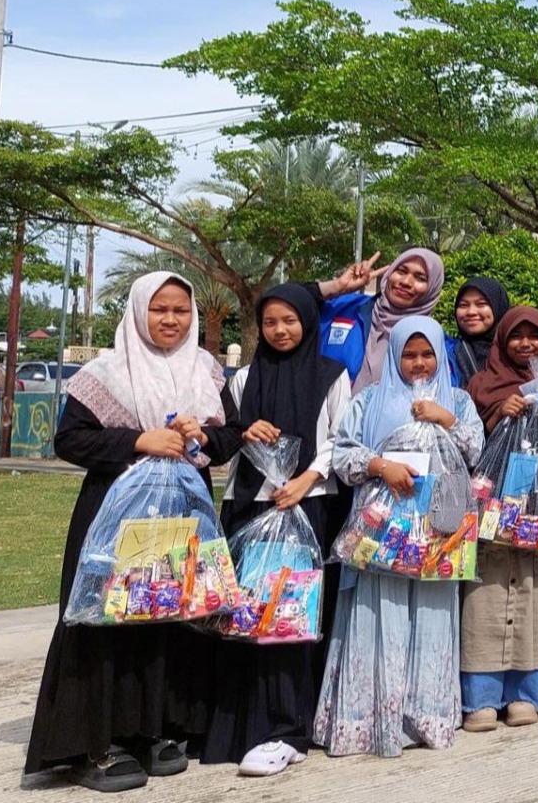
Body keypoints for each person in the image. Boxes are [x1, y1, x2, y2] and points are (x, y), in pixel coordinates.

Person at [26, 272, 246, 792]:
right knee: (105, 619)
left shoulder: (206, 371)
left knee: (169, 612)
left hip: (181, 513)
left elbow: (230, 436)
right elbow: (70, 440)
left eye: (181, 311)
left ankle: (154, 730)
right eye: (159, 309)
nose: (171, 320)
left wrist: (202, 436)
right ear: (138, 310)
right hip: (115, 513)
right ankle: (94, 746)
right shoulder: (105, 373)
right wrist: (138, 440)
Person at [314, 317, 484, 758]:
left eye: (428, 354)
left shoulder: (458, 401)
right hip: (382, 531)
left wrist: (447, 420)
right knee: (380, 614)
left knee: (431, 615)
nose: (419, 363)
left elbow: (476, 452)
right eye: (409, 354)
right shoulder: (369, 400)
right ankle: (373, 722)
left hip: (439, 530)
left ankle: (425, 717)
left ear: (441, 356)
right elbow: (343, 454)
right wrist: (380, 466)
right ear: (393, 355)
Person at [202, 284, 352, 777]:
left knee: (291, 619)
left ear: (308, 322)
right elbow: (225, 435)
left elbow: (341, 438)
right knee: (246, 618)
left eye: (290, 320)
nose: (280, 330)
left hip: (308, 511)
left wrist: (308, 478)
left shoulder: (332, 375)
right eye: (270, 322)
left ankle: (288, 729)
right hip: (250, 509)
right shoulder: (244, 378)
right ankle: (240, 725)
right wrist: (244, 431)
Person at [461, 308, 538, 733]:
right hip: (495, 507)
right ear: (502, 340)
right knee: (486, 596)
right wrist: (498, 413)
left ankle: (526, 694)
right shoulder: (481, 384)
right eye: (516, 336)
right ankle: (480, 697)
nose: (525, 344)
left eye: (535, 337)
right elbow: (466, 444)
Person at [303, 249, 446, 387]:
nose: (406, 282)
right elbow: (291, 302)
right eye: (401, 271)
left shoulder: (434, 344)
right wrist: (336, 287)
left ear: (432, 288)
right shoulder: (345, 307)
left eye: (420, 278)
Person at [445, 277, 510, 388]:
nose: (471, 312)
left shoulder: (516, 352)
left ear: (498, 307)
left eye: (481, 304)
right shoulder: (447, 354)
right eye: (463, 305)